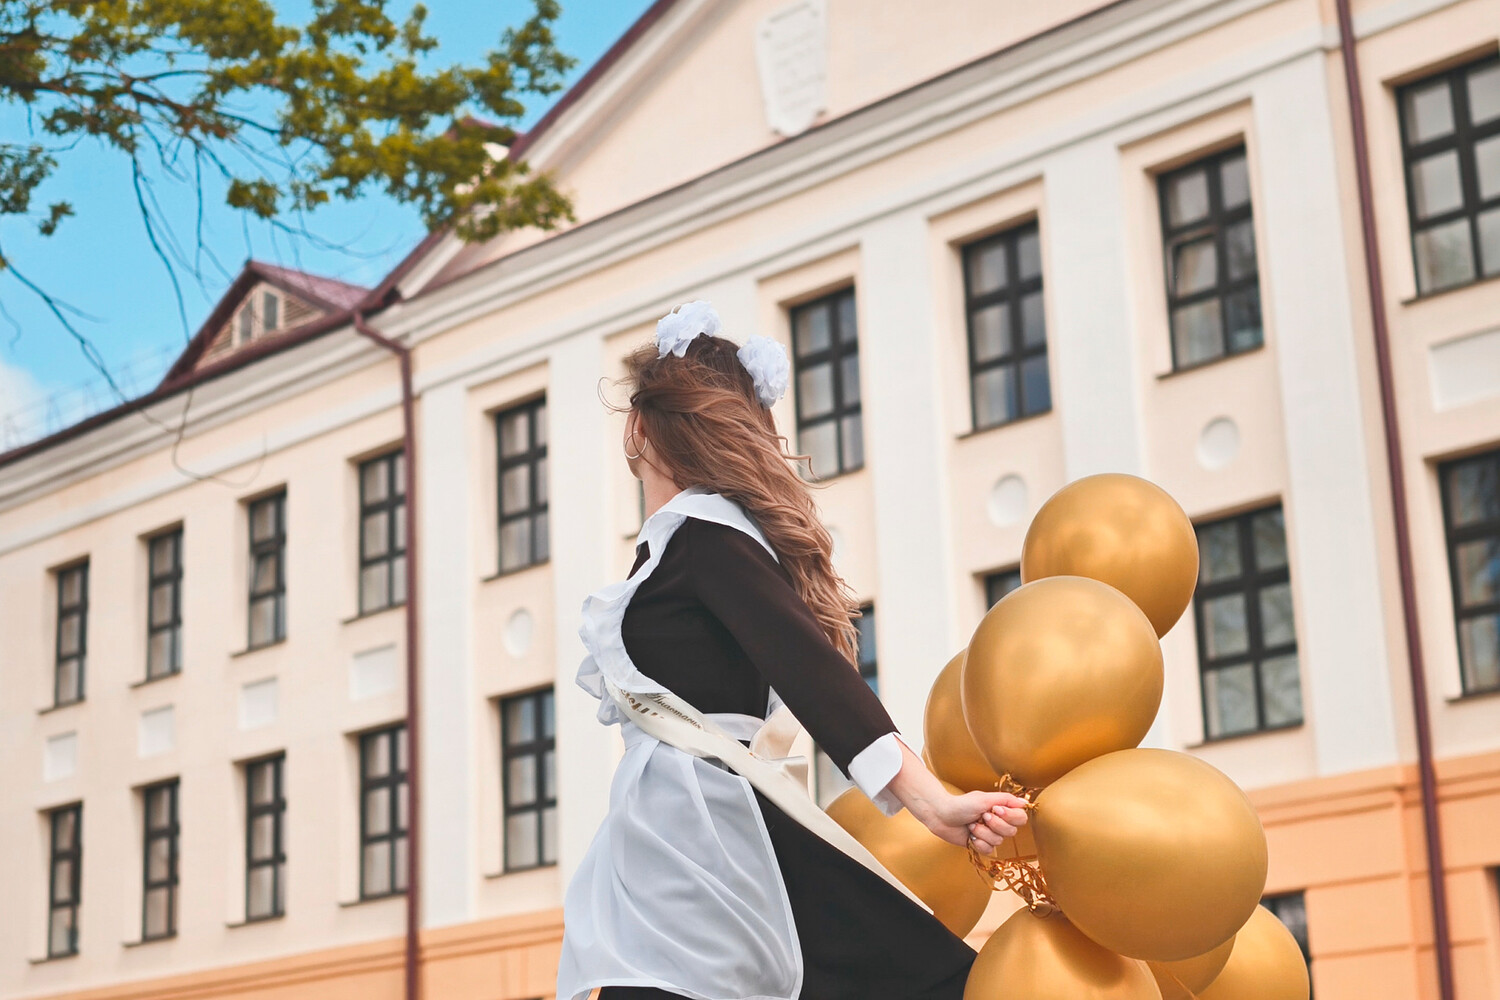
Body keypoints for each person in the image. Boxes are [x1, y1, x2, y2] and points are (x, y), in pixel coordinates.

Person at [556, 302, 1029, 1000]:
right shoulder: (681, 546)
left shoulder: (707, 537)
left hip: (709, 827)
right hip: (671, 830)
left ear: (638, 426)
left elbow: (813, 672)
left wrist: (929, 802)